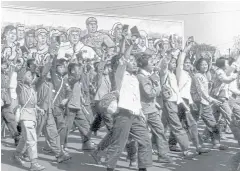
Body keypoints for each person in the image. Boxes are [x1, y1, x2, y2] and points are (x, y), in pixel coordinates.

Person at [136, 53, 173, 163]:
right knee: (139, 134)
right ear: (144, 64)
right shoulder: (141, 77)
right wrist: (157, 84)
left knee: (159, 130)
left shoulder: (148, 75)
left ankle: (163, 154)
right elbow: (149, 93)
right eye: (151, 62)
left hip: (151, 108)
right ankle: (135, 156)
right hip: (142, 110)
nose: (153, 64)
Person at [159, 49, 195, 158]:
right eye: (172, 62)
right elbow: (164, 64)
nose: (174, 64)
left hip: (173, 103)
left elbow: (177, 93)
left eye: (175, 63)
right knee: (177, 126)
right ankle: (186, 149)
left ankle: (154, 146)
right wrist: (169, 54)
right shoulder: (164, 73)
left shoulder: (173, 75)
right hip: (168, 103)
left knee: (161, 127)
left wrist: (184, 105)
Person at [14, 70, 45, 171]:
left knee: (24, 138)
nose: (30, 77)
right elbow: (18, 81)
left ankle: (17, 155)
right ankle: (34, 163)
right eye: (27, 75)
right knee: (32, 140)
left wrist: (38, 108)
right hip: (26, 117)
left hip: (32, 116)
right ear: (22, 77)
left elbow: (32, 103)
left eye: (31, 76)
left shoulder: (32, 88)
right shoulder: (20, 87)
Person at [194, 58, 228, 150]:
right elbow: (201, 91)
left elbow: (206, 90)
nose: (205, 66)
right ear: (198, 66)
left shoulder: (205, 75)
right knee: (191, 125)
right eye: (202, 65)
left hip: (205, 103)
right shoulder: (197, 76)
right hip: (197, 103)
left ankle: (216, 143)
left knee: (213, 123)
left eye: (206, 64)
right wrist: (212, 100)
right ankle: (190, 146)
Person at [65, 63, 95, 151]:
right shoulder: (70, 78)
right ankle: (61, 146)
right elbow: (72, 82)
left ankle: (86, 144)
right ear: (73, 71)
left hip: (78, 107)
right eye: (78, 69)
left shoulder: (78, 80)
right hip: (70, 107)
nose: (80, 71)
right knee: (66, 128)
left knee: (85, 126)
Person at [1, 59, 20, 146]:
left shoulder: (6, 74)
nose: (4, 67)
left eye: (5, 65)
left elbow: (7, 87)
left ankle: (16, 137)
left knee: (11, 120)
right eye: (3, 65)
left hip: (6, 100)